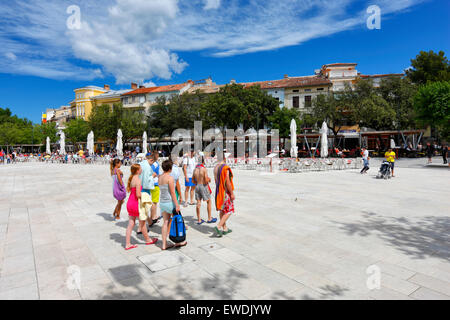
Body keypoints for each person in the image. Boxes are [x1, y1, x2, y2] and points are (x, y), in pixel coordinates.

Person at [125, 164, 157, 250]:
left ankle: (127, 244)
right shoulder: (138, 180)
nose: (141, 169)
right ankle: (148, 240)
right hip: (136, 204)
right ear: (137, 171)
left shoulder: (131, 179)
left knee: (131, 224)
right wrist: (145, 196)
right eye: (140, 168)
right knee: (142, 223)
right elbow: (138, 194)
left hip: (130, 203)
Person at [159, 159, 187, 250]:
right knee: (177, 221)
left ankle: (164, 244)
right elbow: (172, 192)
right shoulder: (170, 178)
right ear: (170, 168)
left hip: (162, 202)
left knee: (165, 222)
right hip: (170, 202)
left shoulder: (160, 177)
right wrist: (177, 204)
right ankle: (178, 241)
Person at [213, 152, 235, 237]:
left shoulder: (215, 168)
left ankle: (225, 228)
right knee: (229, 210)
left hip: (218, 192)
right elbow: (228, 182)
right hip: (225, 192)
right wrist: (232, 193)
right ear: (224, 158)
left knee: (222, 210)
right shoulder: (225, 168)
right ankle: (219, 226)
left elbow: (216, 181)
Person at [192, 156, 216, 225]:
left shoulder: (195, 170)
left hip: (197, 186)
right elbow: (206, 180)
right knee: (209, 201)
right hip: (203, 186)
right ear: (203, 161)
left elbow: (193, 180)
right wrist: (209, 179)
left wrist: (197, 182)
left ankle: (199, 219)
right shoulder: (204, 169)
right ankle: (209, 218)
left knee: (198, 202)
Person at [138, 153, 155, 233]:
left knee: (141, 209)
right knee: (144, 210)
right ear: (151, 160)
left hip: (137, 188)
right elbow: (146, 181)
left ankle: (144, 225)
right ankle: (141, 228)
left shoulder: (140, 164)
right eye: (153, 162)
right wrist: (153, 177)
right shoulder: (147, 167)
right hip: (144, 190)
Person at [150, 152, 161, 224]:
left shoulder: (151, 163)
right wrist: (158, 176)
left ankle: (152, 216)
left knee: (153, 201)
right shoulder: (155, 164)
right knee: (154, 202)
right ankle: (154, 217)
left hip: (151, 184)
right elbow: (152, 173)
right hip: (155, 184)